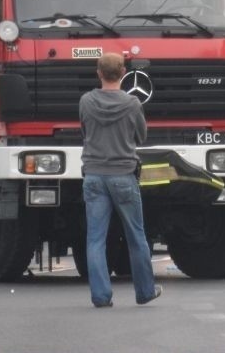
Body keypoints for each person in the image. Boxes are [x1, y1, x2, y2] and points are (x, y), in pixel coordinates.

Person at [80, 52, 162, 308]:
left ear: (98, 73)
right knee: (136, 235)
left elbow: (85, 130)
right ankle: (145, 291)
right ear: (124, 72)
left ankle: (101, 296)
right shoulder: (132, 104)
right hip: (123, 175)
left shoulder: (86, 101)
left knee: (95, 239)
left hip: (93, 174)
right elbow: (141, 136)